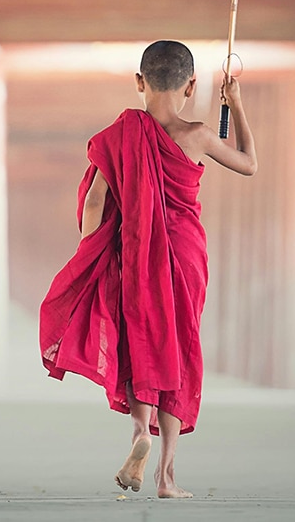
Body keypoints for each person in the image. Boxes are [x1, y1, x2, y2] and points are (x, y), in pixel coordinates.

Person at [39, 40, 257, 499]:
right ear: (192, 84)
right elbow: (248, 164)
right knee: (178, 347)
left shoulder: (120, 133)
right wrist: (235, 104)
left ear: (140, 82)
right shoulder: (198, 134)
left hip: (134, 252)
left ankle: (139, 432)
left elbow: (96, 199)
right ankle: (166, 477)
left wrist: (90, 251)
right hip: (186, 255)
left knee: (141, 339)